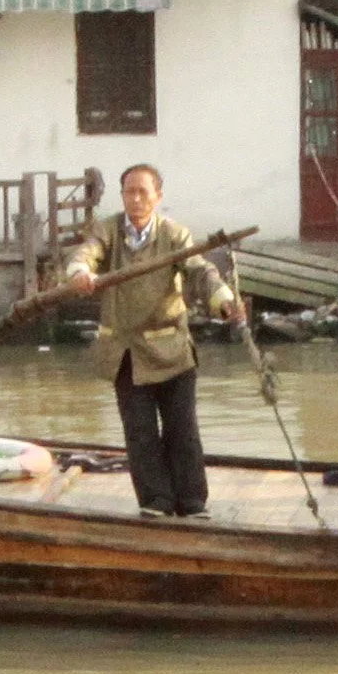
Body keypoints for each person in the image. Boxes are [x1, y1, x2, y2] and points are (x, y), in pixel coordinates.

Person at [64, 164, 233, 517]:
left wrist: (222, 299)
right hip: (126, 353)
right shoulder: (108, 230)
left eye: (143, 192)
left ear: (158, 196)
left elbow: (200, 271)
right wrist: (81, 273)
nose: (136, 199)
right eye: (129, 191)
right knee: (140, 433)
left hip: (171, 348)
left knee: (182, 430)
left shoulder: (174, 236)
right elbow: (86, 253)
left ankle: (191, 502)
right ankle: (156, 501)